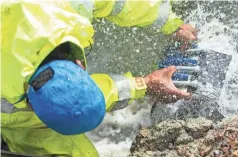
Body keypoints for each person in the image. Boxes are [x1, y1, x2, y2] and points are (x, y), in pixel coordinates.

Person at [1, 1, 197, 156]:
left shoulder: (63, 9)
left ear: (79, 64)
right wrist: (142, 84)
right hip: (12, 121)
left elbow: (121, 2)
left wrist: (172, 24)